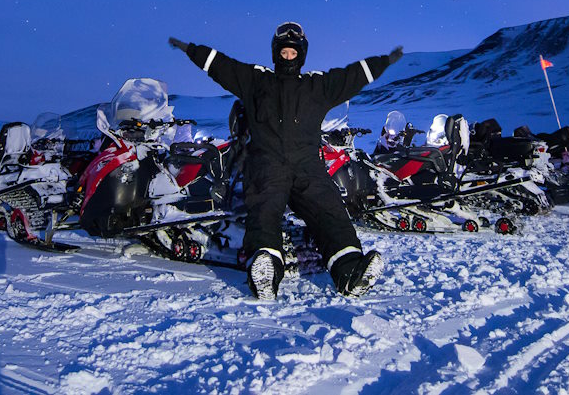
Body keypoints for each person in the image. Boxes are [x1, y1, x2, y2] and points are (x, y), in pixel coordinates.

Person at [168, 22, 403, 299]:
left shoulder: (317, 85)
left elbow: (352, 76)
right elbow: (222, 65)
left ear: (301, 55)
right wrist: (190, 49)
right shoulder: (257, 80)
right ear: (275, 53)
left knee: (329, 210)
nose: (288, 57)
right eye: (284, 52)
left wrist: (385, 61)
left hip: (308, 167)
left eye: (293, 53)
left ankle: (349, 271)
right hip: (268, 164)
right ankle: (266, 272)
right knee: (264, 211)